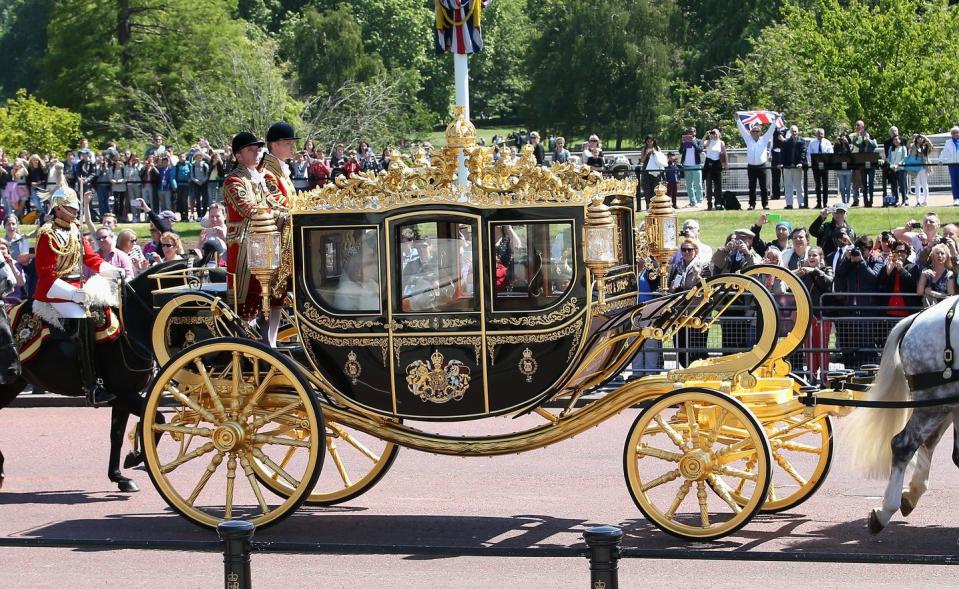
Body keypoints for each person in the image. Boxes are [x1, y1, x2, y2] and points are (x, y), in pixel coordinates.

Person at [34, 168, 121, 406]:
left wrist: (110, 270)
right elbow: (46, 274)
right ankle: (91, 385)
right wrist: (72, 293)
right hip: (55, 291)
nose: (75, 212)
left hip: (77, 287)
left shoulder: (74, 230)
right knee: (84, 321)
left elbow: (90, 257)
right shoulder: (46, 234)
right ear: (58, 208)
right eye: (71, 208)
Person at [223, 131, 288, 346]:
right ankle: (245, 339)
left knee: (271, 291)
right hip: (243, 244)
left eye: (258, 149)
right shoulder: (233, 180)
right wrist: (281, 214)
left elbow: (273, 202)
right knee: (248, 295)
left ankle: (268, 341)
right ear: (238, 156)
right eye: (251, 150)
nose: (257, 154)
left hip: (264, 241)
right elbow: (250, 209)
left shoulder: (257, 177)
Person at [794, 246, 833, 383]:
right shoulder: (804, 272)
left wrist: (814, 271)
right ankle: (812, 377)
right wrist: (800, 272)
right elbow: (789, 281)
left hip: (822, 315)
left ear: (820, 258)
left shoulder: (826, 269)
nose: (811, 258)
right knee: (809, 348)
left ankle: (824, 377)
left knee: (822, 347)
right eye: (809, 255)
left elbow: (828, 282)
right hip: (808, 315)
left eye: (815, 255)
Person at [669, 237, 709, 367]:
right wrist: (672, 288)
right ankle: (687, 370)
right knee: (680, 348)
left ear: (696, 251)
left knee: (697, 347)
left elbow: (708, 288)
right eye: (684, 249)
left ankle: (700, 373)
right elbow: (670, 287)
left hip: (696, 313)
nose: (686, 252)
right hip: (679, 314)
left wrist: (699, 278)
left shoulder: (703, 266)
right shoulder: (676, 267)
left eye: (689, 249)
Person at [735, 112, 780, 210]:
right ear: (751, 132)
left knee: (764, 187)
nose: (755, 133)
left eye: (757, 131)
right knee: (752, 187)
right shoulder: (748, 139)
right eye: (754, 131)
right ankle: (752, 204)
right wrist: (738, 119)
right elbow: (742, 130)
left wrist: (775, 120)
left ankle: (765, 204)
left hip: (762, 166)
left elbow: (771, 130)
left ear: (760, 132)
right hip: (751, 167)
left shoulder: (764, 139)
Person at [851, 120, 878, 207]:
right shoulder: (861, 142)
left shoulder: (872, 139)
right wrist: (858, 135)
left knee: (870, 183)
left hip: (871, 164)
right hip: (863, 165)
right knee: (864, 184)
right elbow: (855, 142)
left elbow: (875, 145)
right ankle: (865, 201)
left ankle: (871, 200)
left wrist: (868, 140)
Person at [779, 125, 806, 209]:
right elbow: (782, 154)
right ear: (790, 132)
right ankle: (789, 204)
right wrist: (781, 163)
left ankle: (801, 203)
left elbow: (803, 153)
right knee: (788, 186)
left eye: (795, 131)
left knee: (799, 186)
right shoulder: (786, 142)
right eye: (792, 131)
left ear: (798, 132)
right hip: (787, 167)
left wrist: (801, 163)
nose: (794, 133)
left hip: (797, 167)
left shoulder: (802, 141)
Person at [702, 129, 727, 211]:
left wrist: (725, 164)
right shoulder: (709, 141)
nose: (714, 135)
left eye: (715, 133)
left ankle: (718, 203)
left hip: (717, 164)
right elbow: (702, 144)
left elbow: (724, 153)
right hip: (709, 164)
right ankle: (709, 203)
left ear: (719, 134)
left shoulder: (721, 142)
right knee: (708, 185)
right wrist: (706, 135)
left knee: (718, 185)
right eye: (713, 133)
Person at [679, 127, 704, 208]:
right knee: (689, 185)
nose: (690, 133)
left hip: (696, 165)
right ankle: (692, 202)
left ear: (695, 132)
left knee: (698, 184)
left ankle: (699, 201)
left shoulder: (699, 141)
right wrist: (682, 143)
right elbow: (680, 151)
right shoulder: (685, 141)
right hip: (686, 165)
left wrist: (693, 142)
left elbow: (700, 150)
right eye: (688, 132)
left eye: (691, 132)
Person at [638, 135, 666, 207]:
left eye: (651, 141)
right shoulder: (644, 149)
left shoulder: (657, 148)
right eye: (648, 141)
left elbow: (661, 159)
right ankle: (648, 204)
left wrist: (655, 153)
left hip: (656, 170)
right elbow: (642, 160)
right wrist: (647, 153)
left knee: (655, 187)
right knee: (646, 187)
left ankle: (655, 203)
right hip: (646, 170)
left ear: (654, 141)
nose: (649, 143)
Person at [909, 133, 933, 207]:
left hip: (924, 168)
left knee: (924, 185)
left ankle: (925, 201)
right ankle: (918, 201)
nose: (920, 139)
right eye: (918, 138)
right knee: (917, 185)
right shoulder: (913, 146)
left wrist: (925, 137)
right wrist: (912, 137)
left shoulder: (926, 146)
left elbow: (931, 146)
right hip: (916, 168)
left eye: (921, 138)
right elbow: (908, 144)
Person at [0, 238, 26, 304]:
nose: (0, 251)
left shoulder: (15, 264)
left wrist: (11, 264)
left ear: (8, 250)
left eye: (2, 248)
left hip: (15, 301)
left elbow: (21, 283)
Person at [886, 134, 909, 207]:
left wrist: (898, 164)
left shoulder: (903, 147)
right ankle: (896, 200)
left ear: (900, 140)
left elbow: (904, 158)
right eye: (894, 140)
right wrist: (891, 165)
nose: (895, 141)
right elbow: (889, 158)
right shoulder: (890, 148)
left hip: (901, 169)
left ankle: (904, 200)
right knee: (894, 186)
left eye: (897, 139)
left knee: (902, 185)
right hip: (893, 169)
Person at [940, 126, 959, 207]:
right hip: (952, 164)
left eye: (957, 132)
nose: (955, 134)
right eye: (954, 133)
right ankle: (956, 199)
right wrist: (941, 160)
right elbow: (944, 152)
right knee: (954, 182)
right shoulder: (948, 142)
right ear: (951, 134)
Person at [833, 132, 854, 206]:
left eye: (844, 137)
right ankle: (843, 201)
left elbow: (849, 154)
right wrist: (837, 144)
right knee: (842, 187)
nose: (843, 139)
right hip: (840, 169)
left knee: (848, 186)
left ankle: (847, 202)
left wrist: (847, 144)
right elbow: (835, 155)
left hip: (848, 168)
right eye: (842, 138)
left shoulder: (850, 145)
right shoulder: (838, 145)